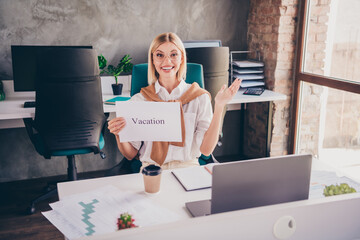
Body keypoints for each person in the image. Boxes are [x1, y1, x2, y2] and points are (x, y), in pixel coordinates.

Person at [108, 32, 241, 170]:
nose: (167, 61)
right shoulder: (139, 101)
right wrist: (119, 135)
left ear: (181, 58)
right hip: (152, 169)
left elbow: (206, 151)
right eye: (159, 55)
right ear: (152, 59)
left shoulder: (199, 98)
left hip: (188, 168)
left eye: (173, 54)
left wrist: (219, 106)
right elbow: (130, 154)